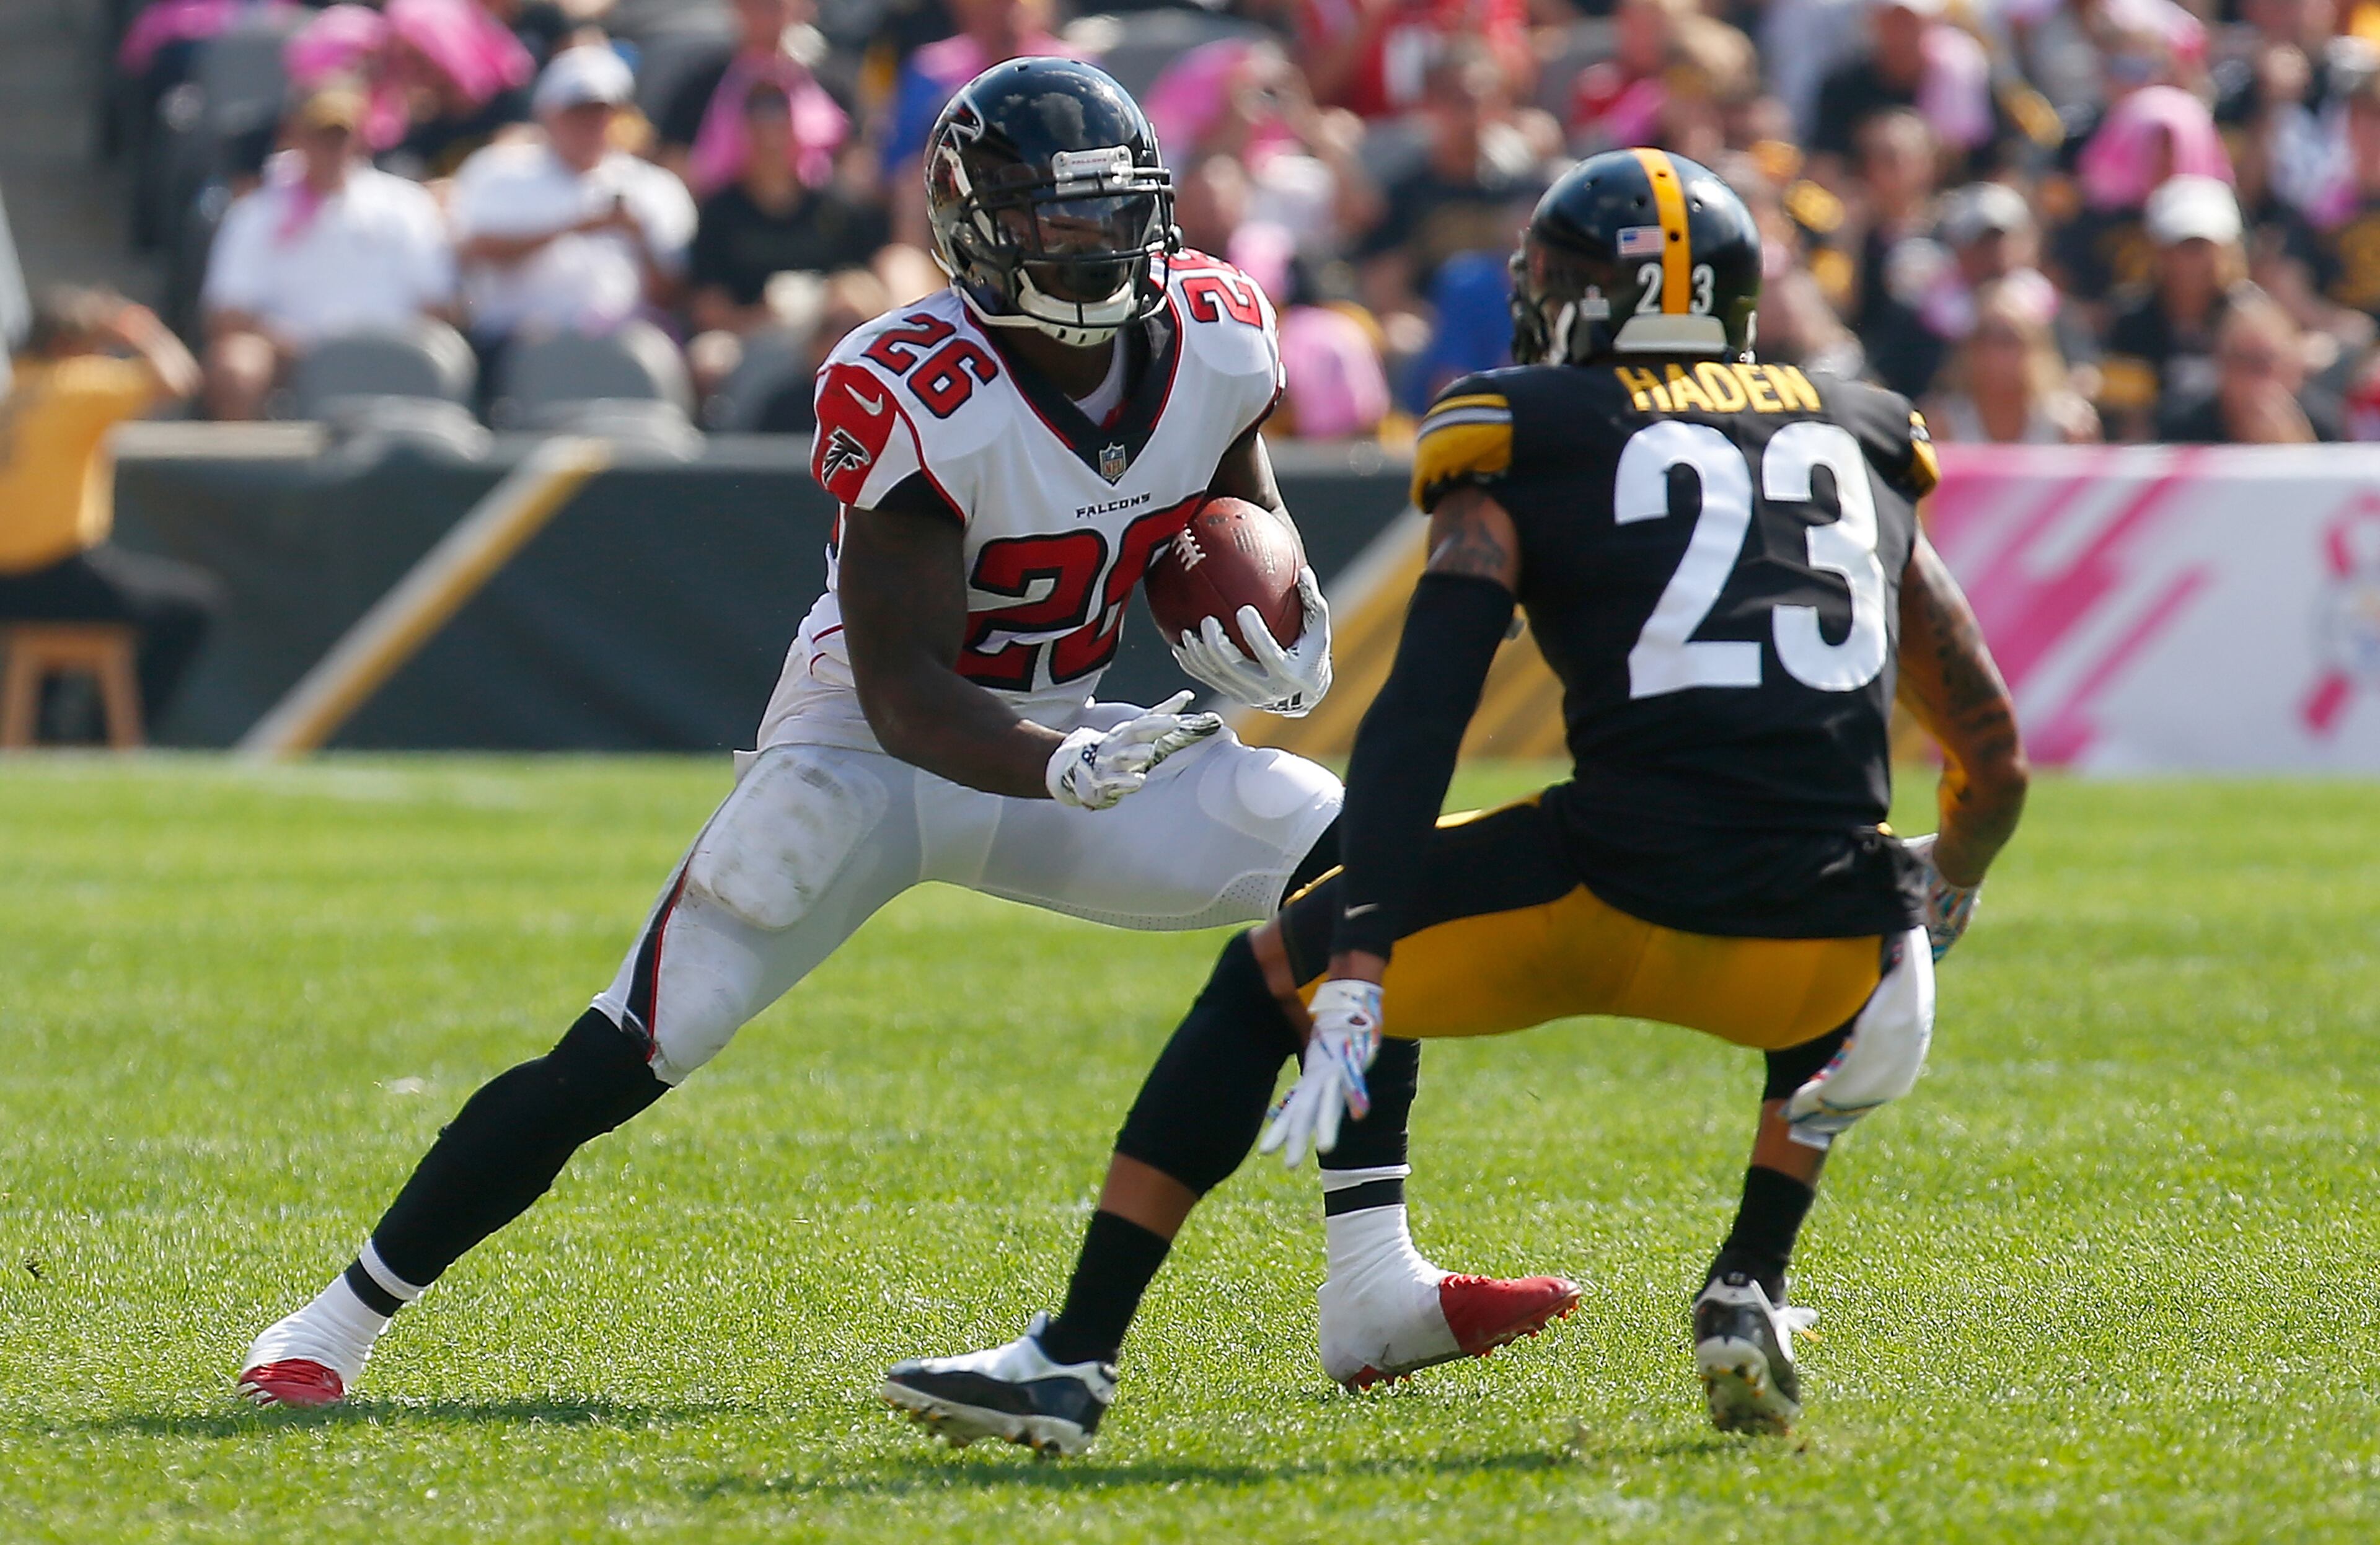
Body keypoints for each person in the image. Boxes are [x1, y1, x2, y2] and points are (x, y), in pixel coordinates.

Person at [236, 58, 1572, 1411]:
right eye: (1055, 217)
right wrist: (1052, 762)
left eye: (1114, 212)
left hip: (1068, 739)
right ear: (980, 227)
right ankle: (334, 1320)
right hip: (865, 756)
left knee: (1348, 860)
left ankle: (1374, 1283)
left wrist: (1284, 622)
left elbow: (1238, 506)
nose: (1094, 244)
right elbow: (903, 688)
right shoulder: (910, 380)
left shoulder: (1220, 328)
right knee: (631, 1047)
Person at [883, 149, 2031, 1456]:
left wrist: (1359, 947)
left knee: (1264, 975)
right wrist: (1947, 884)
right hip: (1815, 969)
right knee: (1839, 877)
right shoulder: (1863, 429)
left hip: (1606, 887)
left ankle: (1073, 1357)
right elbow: (1993, 755)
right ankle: (1748, 1279)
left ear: (1582, 300)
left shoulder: (1523, 424)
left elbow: (1423, 712)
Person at [0, 288, 222, 731]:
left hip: (8, 586)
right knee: (194, 605)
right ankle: (105, 740)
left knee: (62, 631)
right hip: (56, 574)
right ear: (68, 345)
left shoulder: (12, 389)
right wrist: (141, 330)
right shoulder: (74, 384)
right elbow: (180, 380)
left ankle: (45, 735)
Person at [201, 86, 458, 421]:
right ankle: (243, 470)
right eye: (320, 135)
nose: (332, 149)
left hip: (392, 351)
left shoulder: (406, 205)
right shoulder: (255, 213)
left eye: (341, 136)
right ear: (295, 135)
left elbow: (436, 303)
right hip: (291, 359)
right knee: (236, 366)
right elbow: (227, 313)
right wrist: (295, 345)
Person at [447, 45, 697, 348]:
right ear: (547, 113)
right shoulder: (499, 172)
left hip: (622, 346)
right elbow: (471, 251)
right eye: (577, 112)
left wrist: (638, 236)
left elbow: (674, 294)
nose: (590, 124)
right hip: (515, 343)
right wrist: (573, 227)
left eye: (600, 112)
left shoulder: (653, 186)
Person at [2098, 175, 2255, 439]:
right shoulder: (2131, 322)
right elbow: (2127, 418)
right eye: (2185, 247)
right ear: (2159, 252)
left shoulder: (2252, 320)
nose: (2197, 261)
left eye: (2205, 246)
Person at [1923, 279, 2101, 444]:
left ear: (2034, 346)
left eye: (2007, 339)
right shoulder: (1941, 425)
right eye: (1983, 337)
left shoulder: (2069, 427)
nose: (1994, 352)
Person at [2156, 286, 2343, 442]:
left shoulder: (2325, 424)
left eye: (2269, 361)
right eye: (2245, 361)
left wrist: (2296, 450)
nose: (2259, 379)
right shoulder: (2181, 428)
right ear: (2221, 364)